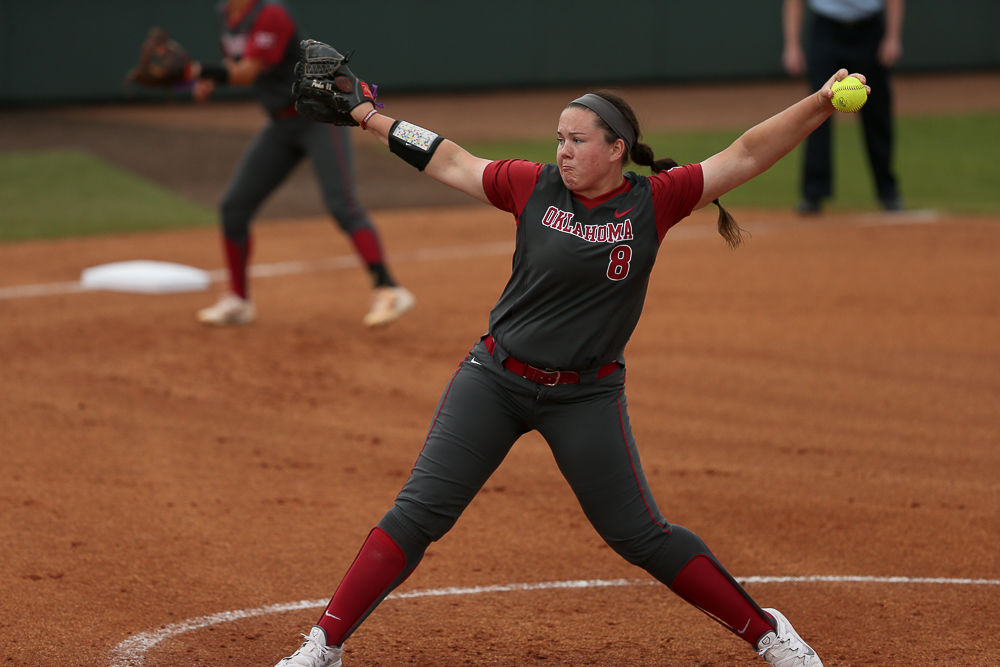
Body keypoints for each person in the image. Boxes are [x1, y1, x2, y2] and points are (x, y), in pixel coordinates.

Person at [273, 39, 855, 667]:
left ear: (617, 150)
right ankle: (323, 644)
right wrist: (366, 113)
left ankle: (767, 633)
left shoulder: (653, 201)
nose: (564, 151)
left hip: (585, 396)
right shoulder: (534, 187)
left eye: (578, 140)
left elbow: (745, 153)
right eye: (560, 138)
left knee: (640, 536)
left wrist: (819, 104)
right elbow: (451, 160)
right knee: (417, 514)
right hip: (494, 379)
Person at [187, 0, 414, 327]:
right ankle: (238, 300)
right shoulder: (227, 14)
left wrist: (195, 71)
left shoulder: (270, 14)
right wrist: (211, 78)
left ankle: (389, 289)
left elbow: (248, 71)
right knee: (234, 208)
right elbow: (236, 62)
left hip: (317, 120)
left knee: (342, 206)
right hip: (280, 126)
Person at [782, 0, 904, 214]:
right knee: (817, 111)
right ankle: (813, 192)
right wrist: (792, 45)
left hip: (870, 30)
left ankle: (888, 190)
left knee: (878, 114)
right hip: (826, 30)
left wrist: (893, 37)